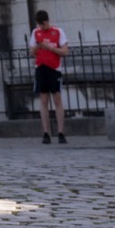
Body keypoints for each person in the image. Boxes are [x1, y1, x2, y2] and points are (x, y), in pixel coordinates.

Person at [28, 10, 68, 143]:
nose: (41, 27)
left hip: (54, 68)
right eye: (39, 25)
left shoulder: (58, 31)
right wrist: (38, 47)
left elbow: (65, 52)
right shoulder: (35, 32)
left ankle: (60, 131)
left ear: (47, 21)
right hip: (41, 68)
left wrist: (49, 48)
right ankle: (46, 132)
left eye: (43, 24)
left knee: (57, 99)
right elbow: (31, 52)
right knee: (44, 100)